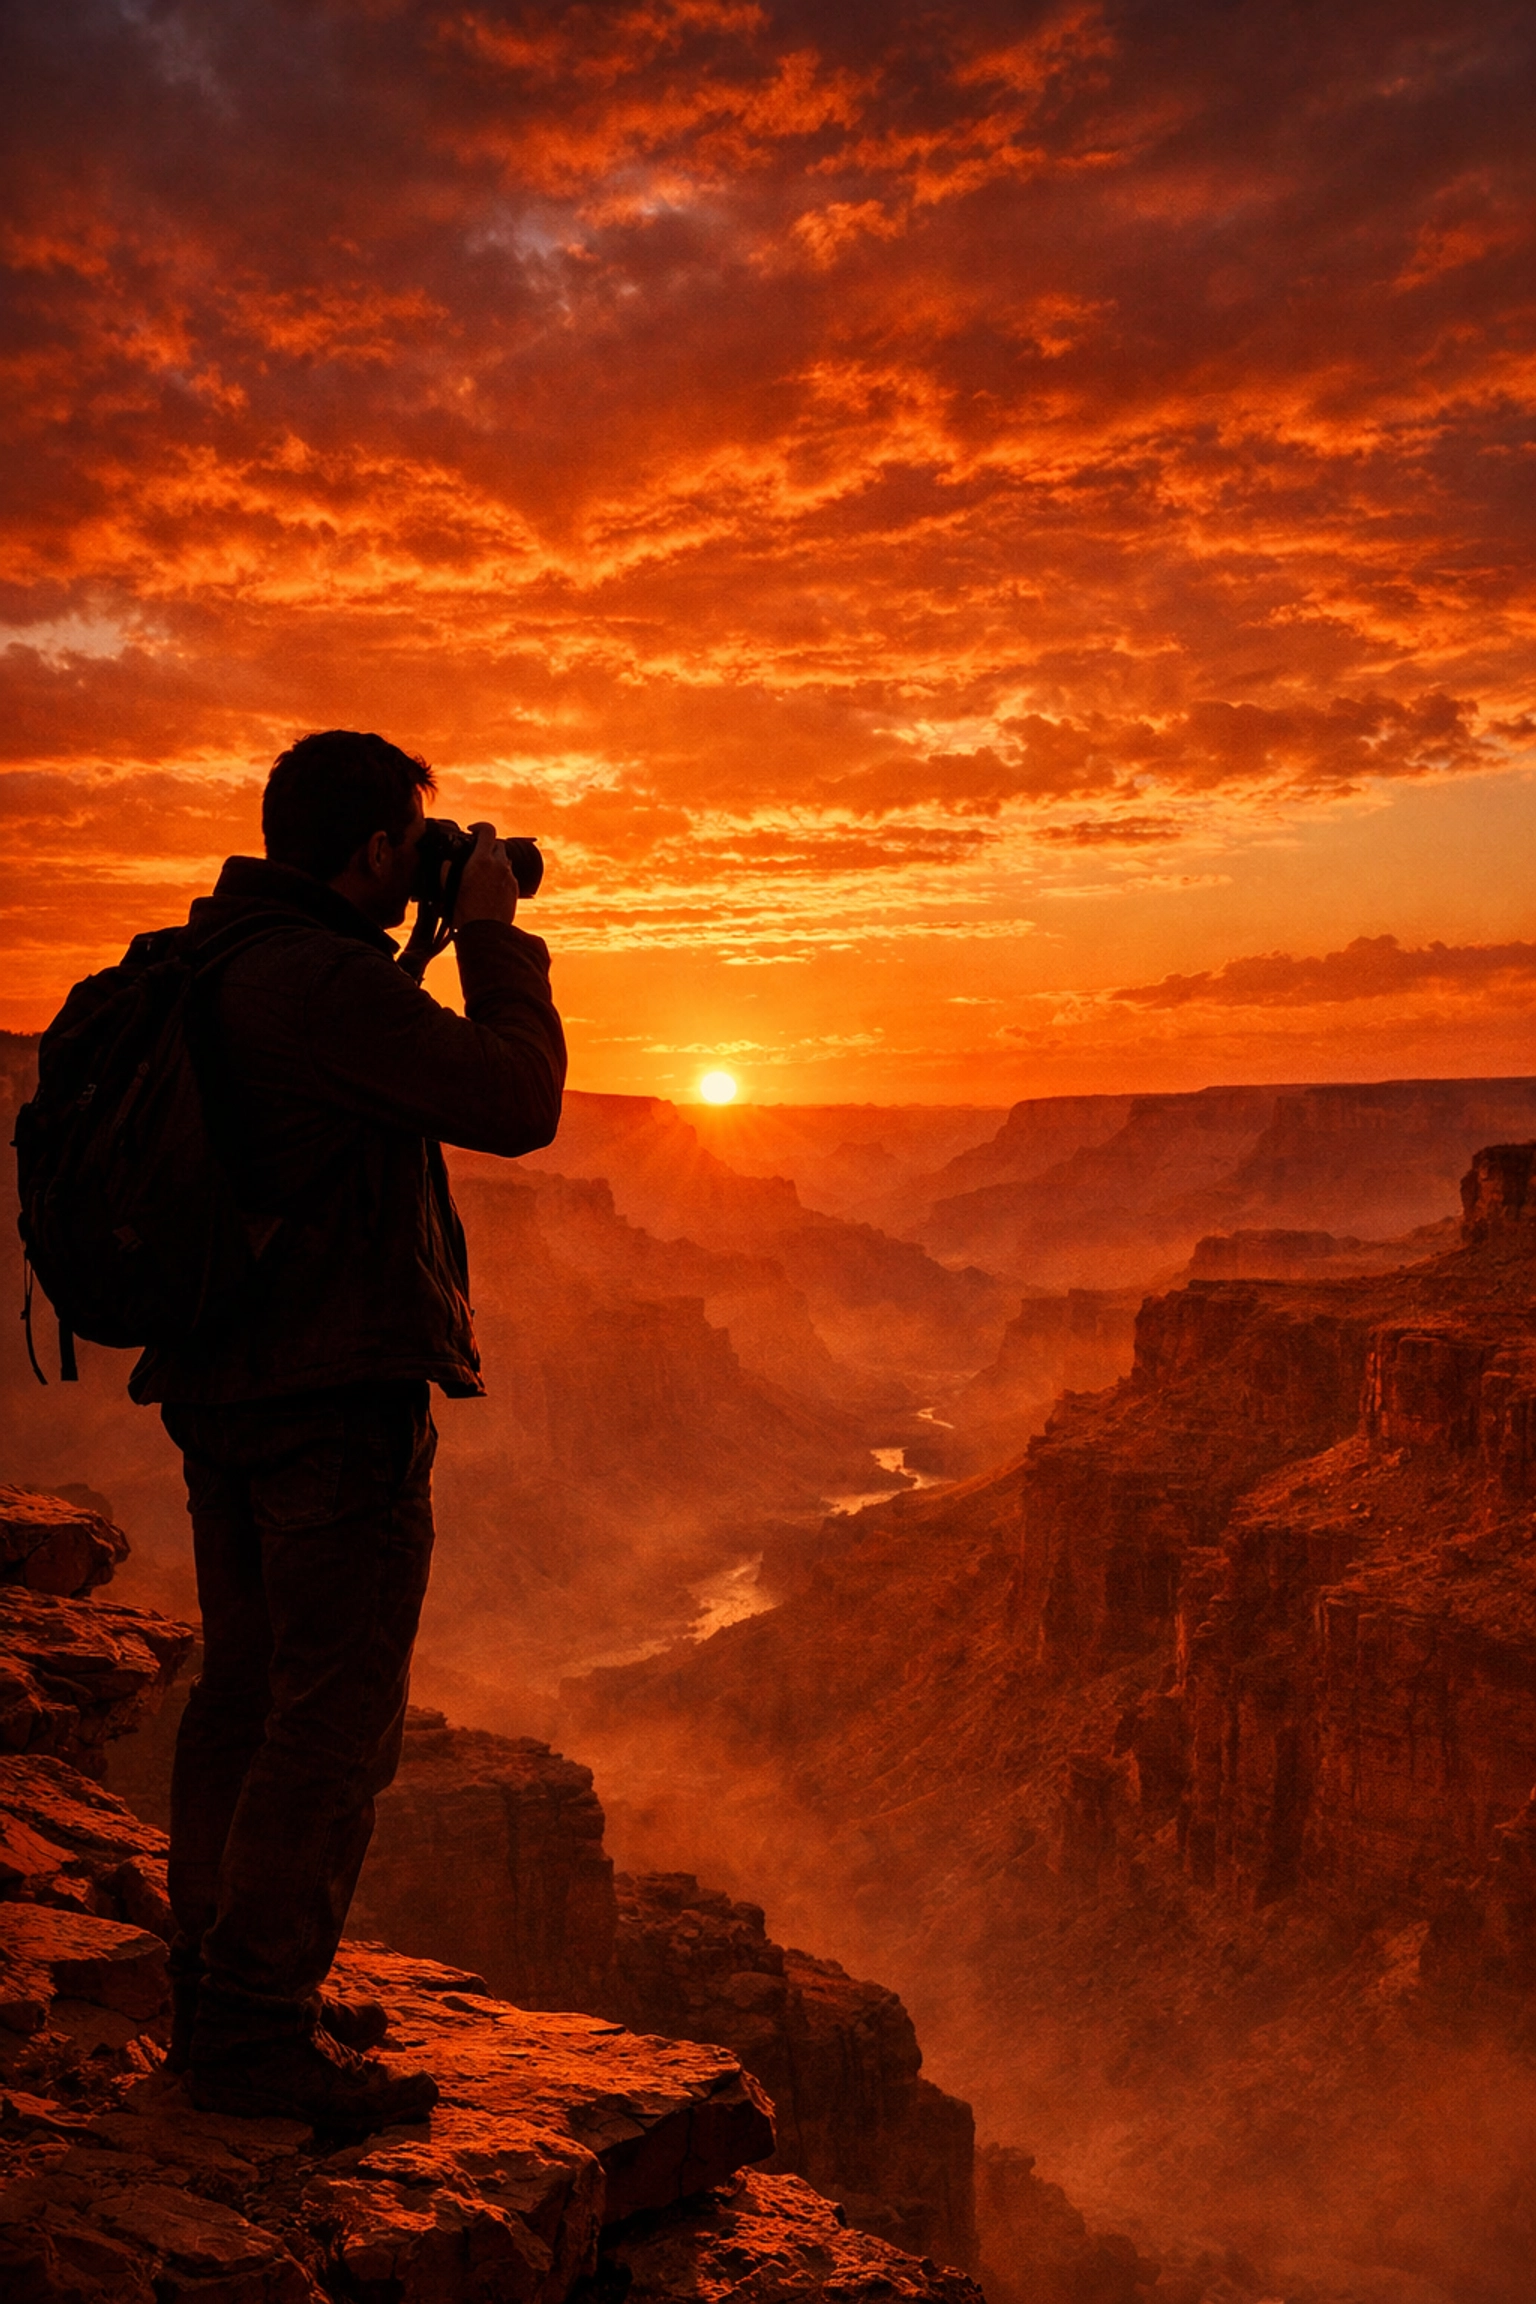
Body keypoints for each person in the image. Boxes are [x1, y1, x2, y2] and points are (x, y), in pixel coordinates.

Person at [131, 729, 566, 2129]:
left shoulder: (223, 954)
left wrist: (419, 943)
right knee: (332, 1726)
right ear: (377, 849)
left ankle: (224, 1992)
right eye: (412, 852)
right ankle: (254, 2038)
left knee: (246, 1700)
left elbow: (334, 1086)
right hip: (329, 1405)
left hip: (223, 1388)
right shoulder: (315, 983)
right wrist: (495, 935)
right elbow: (516, 1101)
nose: (421, 874)